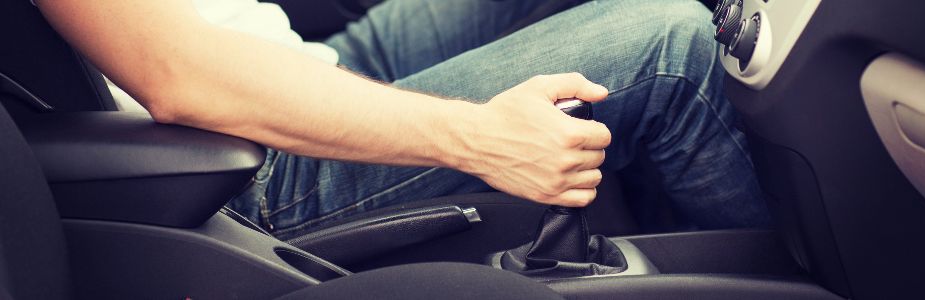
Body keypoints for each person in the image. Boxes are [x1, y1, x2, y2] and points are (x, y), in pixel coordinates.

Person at [36, 0, 770, 240]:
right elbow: (179, 77)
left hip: (303, 61)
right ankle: (806, 273)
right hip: (247, 156)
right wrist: (477, 135)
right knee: (673, 46)